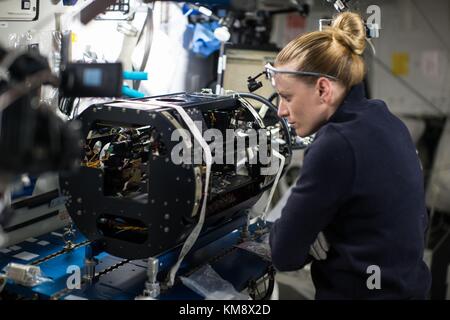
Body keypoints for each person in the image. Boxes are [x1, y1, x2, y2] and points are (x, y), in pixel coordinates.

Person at [268, 11, 431, 299]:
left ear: (322, 88)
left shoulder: (335, 144)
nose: (281, 110)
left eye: (287, 97)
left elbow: (283, 255)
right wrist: (327, 227)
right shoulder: (386, 120)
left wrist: (310, 231)